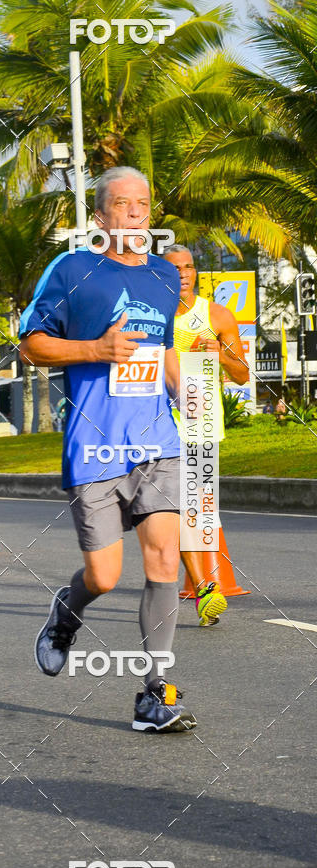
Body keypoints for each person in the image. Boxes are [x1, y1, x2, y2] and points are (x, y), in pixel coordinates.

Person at [20, 166, 196, 733]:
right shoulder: (72, 270)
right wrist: (96, 347)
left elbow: (165, 351)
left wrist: (188, 392)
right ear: (101, 217)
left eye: (144, 203)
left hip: (157, 442)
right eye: (124, 205)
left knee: (165, 560)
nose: (137, 213)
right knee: (103, 577)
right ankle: (64, 616)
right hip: (95, 446)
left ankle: (155, 693)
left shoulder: (166, 278)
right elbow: (30, 346)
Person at [164, 244, 249, 627]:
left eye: (189, 267)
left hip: (201, 420)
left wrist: (220, 354)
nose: (183, 273)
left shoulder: (217, 315)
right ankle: (203, 587)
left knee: (197, 512)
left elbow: (243, 374)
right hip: (158, 420)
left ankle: (203, 587)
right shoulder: (151, 317)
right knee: (175, 508)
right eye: (174, 268)